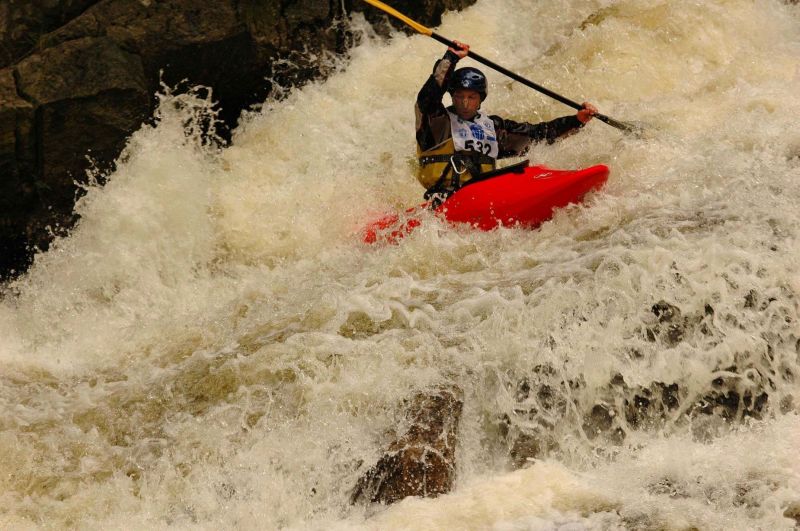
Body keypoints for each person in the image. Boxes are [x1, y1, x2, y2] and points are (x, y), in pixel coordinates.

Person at [415, 41, 598, 199]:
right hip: (445, 200)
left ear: (480, 100)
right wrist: (451, 58)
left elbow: (538, 134)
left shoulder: (492, 128)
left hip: (485, 196)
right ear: (452, 96)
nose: (464, 103)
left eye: (471, 97)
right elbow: (429, 96)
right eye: (459, 96)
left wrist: (576, 120)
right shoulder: (436, 122)